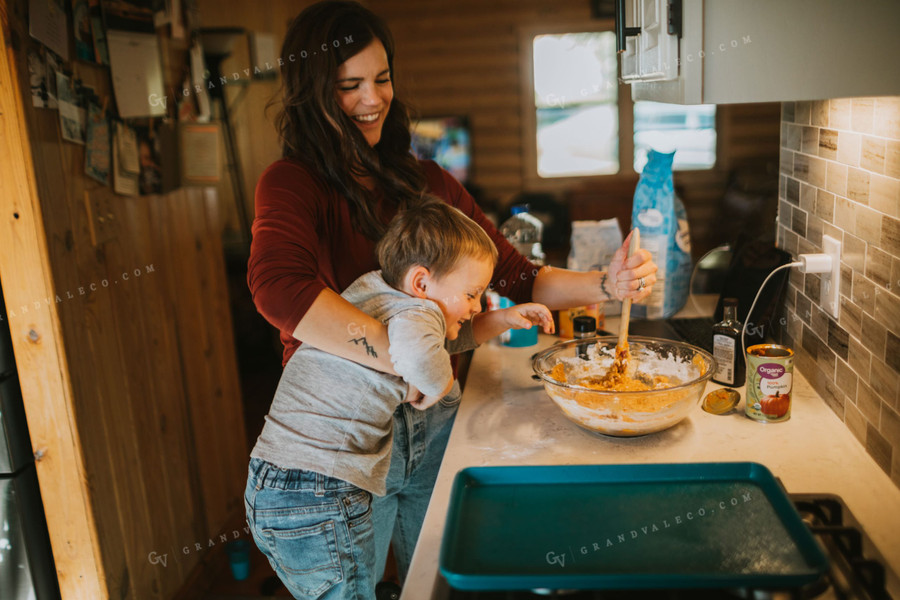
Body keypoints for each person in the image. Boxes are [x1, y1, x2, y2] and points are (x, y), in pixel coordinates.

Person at [247, 0, 658, 589]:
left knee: (430, 582)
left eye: (382, 79)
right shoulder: (291, 183)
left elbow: (514, 277)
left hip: (431, 423)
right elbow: (278, 286)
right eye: (349, 86)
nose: (372, 99)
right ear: (312, 94)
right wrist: (410, 360)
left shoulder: (426, 182)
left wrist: (605, 284)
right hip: (343, 436)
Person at [245, 200, 553, 598]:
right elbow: (422, 352)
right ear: (422, 284)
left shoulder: (376, 291)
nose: (478, 305)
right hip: (323, 490)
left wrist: (501, 319)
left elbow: (437, 338)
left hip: (275, 483)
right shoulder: (417, 314)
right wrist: (437, 389)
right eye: (473, 294)